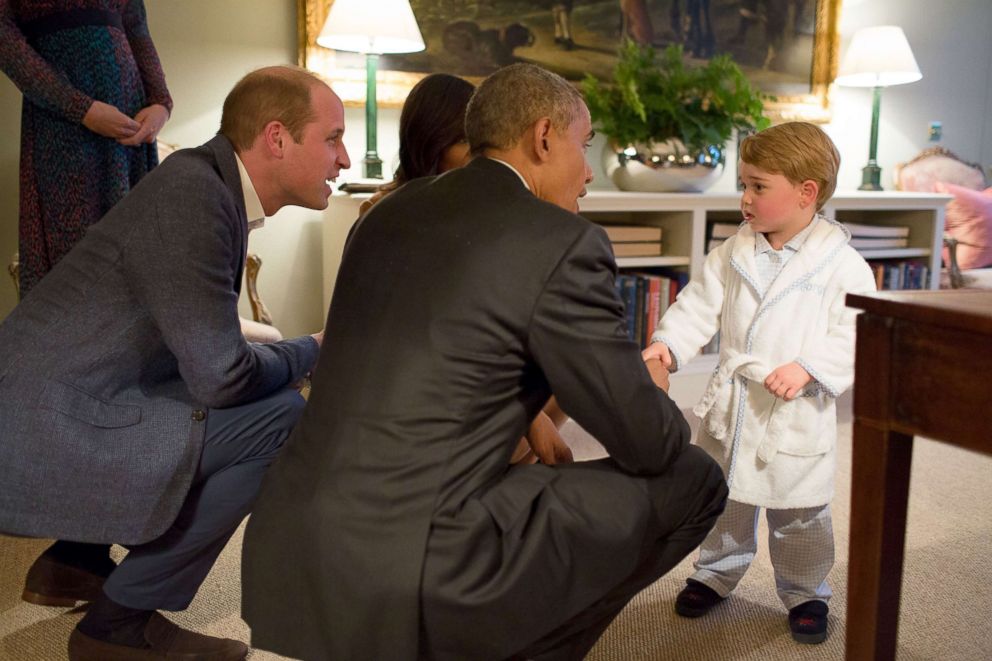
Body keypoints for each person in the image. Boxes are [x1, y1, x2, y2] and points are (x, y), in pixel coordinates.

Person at [241, 63, 728, 660]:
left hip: (288, 544)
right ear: (544, 137)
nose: (589, 171)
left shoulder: (384, 214)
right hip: (420, 565)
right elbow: (648, 444)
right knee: (696, 478)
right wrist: (651, 390)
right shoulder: (562, 243)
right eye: (586, 144)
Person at [0, 65, 350, 660]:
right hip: (42, 424)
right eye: (334, 137)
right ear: (276, 137)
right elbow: (223, 378)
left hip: (64, 397)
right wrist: (314, 349)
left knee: (237, 402)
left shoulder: (203, 183)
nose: (342, 160)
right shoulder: (196, 195)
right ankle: (118, 624)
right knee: (281, 418)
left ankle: (72, 562)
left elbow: (198, 345)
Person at [643, 121, 877, 644]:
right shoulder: (733, 251)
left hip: (794, 409)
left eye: (757, 186)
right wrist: (669, 344)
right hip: (736, 402)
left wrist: (811, 367)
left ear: (806, 192)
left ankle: (806, 590)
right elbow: (698, 304)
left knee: (800, 512)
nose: (744, 199)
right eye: (742, 185)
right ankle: (715, 572)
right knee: (726, 498)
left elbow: (855, 330)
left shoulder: (842, 265)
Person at [361, 71, 570, 466]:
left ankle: (506, 478)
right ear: (431, 144)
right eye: (464, 143)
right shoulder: (385, 214)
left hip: (470, 372)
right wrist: (527, 416)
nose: (479, 157)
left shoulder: (482, 210)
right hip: (414, 384)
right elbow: (429, 343)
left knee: (560, 373)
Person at [0, 0, 172, 296]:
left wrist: (160, 103)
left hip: (129, 127)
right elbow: (4, 38)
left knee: (135, 255)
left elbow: (136, 27)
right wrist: (81, 109)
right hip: (64, 126)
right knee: (75, 259)